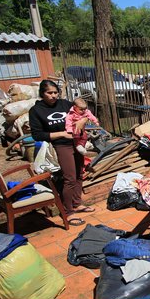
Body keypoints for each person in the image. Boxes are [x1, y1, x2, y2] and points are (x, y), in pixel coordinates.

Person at [29, 80, 94, 226]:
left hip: (78, 143)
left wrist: (82, 121)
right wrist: (62, 134)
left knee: (79, 173)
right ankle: (68, 211)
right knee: (69, 177)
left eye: (55, 92)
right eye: (49, 93)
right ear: (42, 93)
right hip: (61, 145)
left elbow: (85, 112)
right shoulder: (37, 111)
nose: (53, 96)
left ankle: (77, 203)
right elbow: (37, 135)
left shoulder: (65, 104)